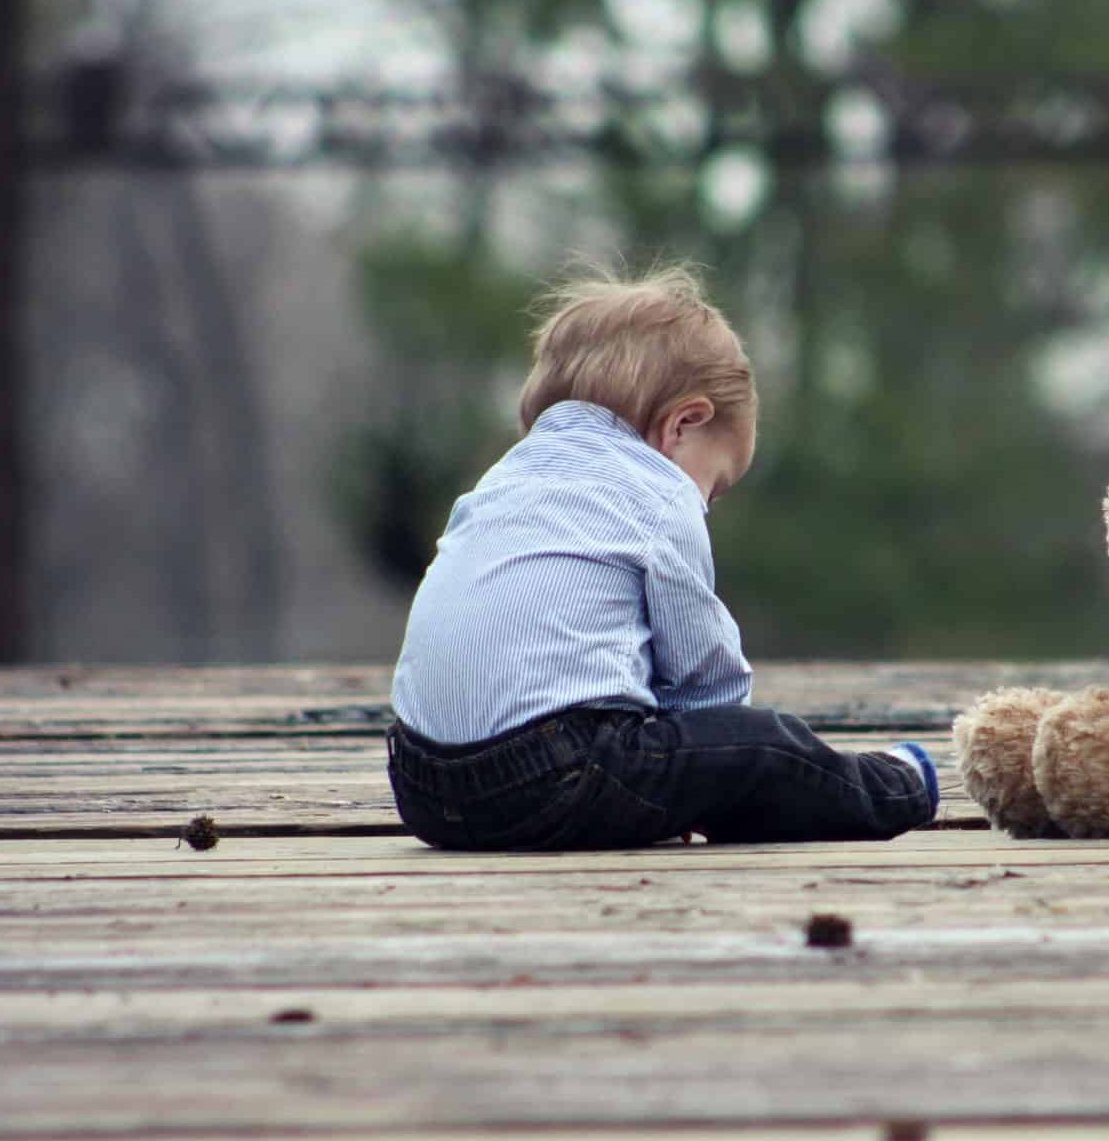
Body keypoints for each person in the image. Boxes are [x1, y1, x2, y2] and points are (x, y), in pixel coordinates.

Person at [386, 264, 938, 851]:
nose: (707, 504)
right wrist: (720, 755)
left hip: (421, 786)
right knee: (766, 747)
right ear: (684, 423)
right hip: (552, 778)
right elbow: (703, 677)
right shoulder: (657, 491)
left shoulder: (504, 479)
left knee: (683, 759)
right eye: (716, 486)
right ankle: (897, 785)